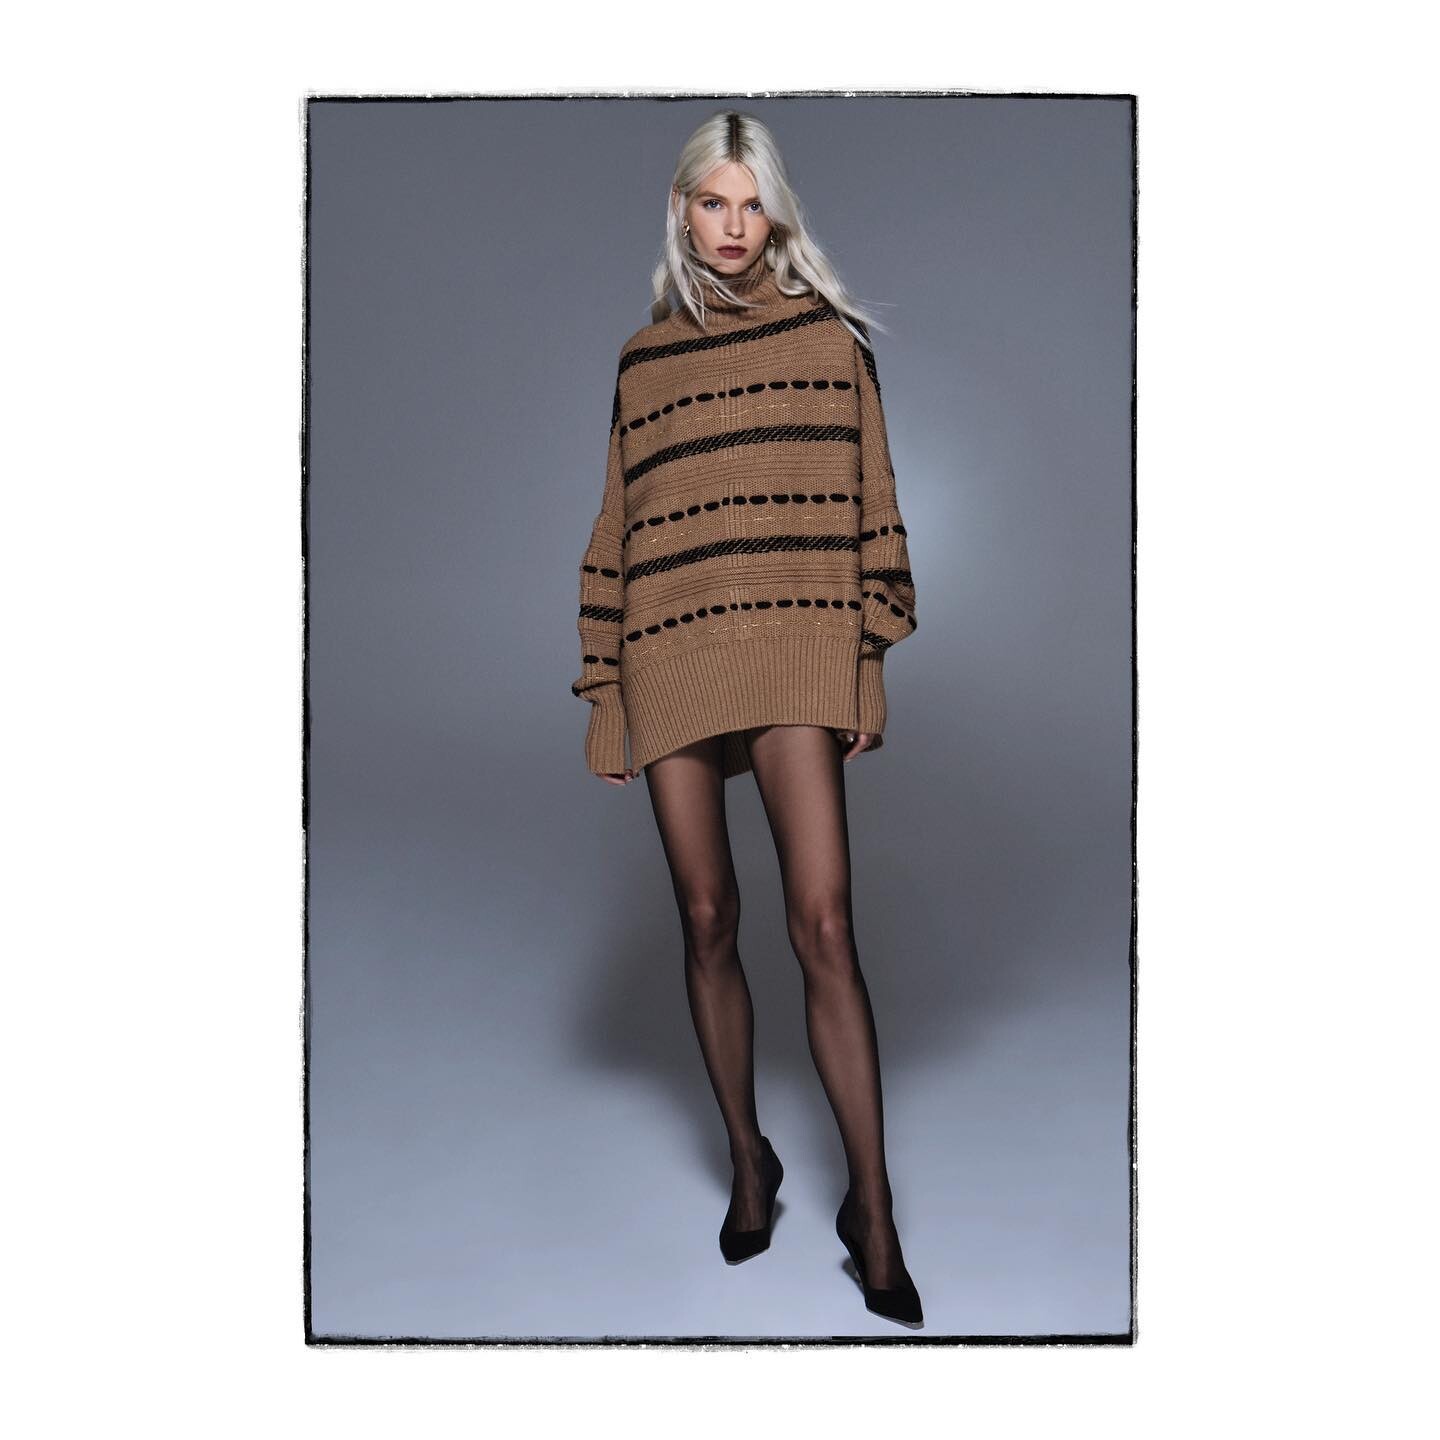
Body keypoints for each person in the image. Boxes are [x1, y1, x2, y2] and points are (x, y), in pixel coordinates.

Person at [571, 110, 922, 1327]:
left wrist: (865, 669)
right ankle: (747, 1159)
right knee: (708, 917)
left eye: (751, 204)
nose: (731, 226)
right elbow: (621, 529)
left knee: (823, 923)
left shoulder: (830, 344)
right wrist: (606, 691)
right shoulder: (644, 362)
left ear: (777, 213)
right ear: (682, 211)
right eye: (711, 203)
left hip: (797, 641)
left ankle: (873, 1212)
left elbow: (871, 513)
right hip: (670, 649)